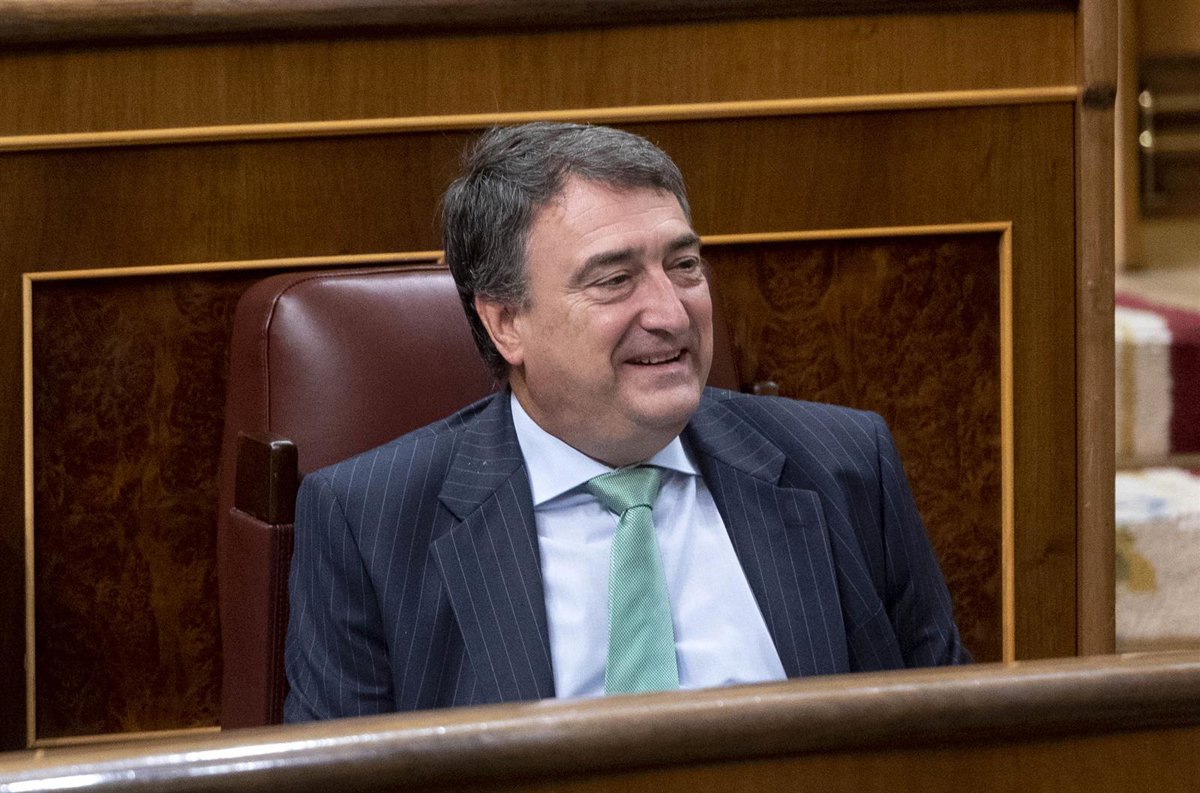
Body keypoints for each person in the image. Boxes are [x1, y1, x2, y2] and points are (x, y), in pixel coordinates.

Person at [283, 122, 968, 722]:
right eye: (615, 280)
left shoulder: (844, 465)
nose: (671, 312)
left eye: (684, 265)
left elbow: (950, 744)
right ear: (507, 322)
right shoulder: (371, 524)